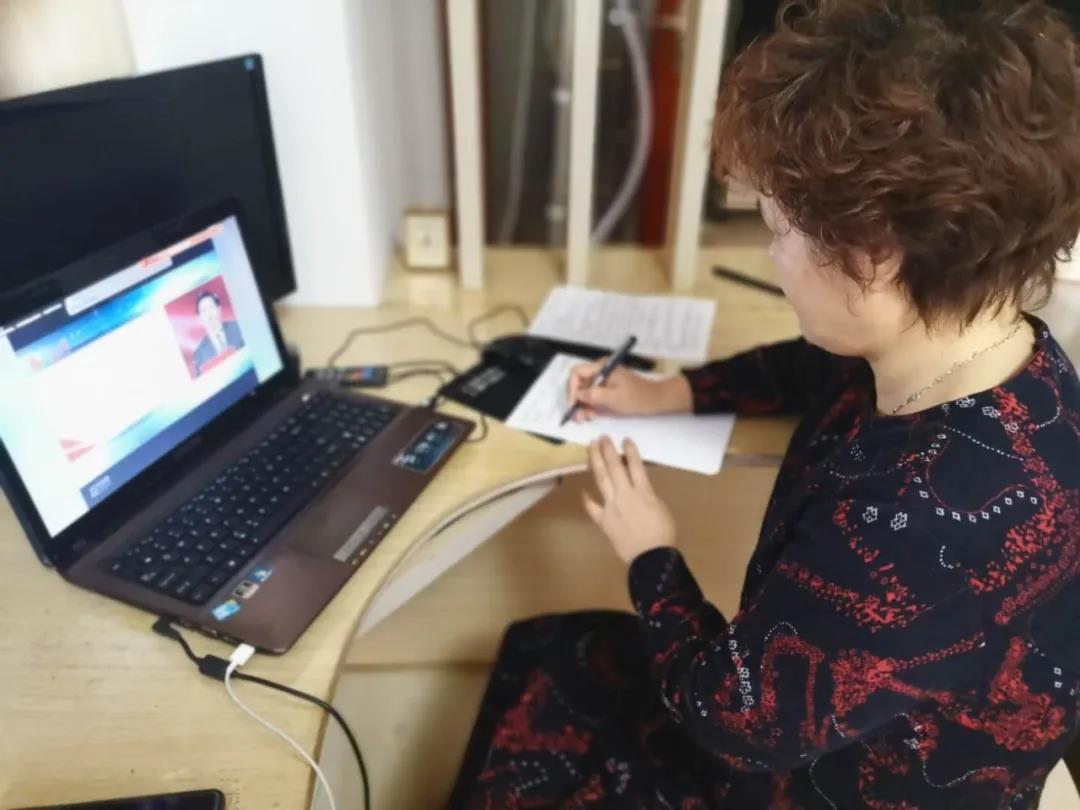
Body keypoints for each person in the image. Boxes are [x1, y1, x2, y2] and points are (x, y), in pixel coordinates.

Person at [449, 1, 1080, 807]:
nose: (773, 257)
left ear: (876, 256)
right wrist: (669, 391)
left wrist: (650, 550)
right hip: (836, 719)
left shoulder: (918, 522)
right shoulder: (997, 351)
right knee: (556, 646)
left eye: (779, 230)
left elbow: (733, 722)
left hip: (824, 782)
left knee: (553, 685)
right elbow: (818, 366)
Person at [191, 290, 244, 376]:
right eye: (204, 310)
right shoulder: (199, 354)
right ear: (200, 318)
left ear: (219, 309)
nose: (208, 313)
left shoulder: (237, 327)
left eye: (211, 307)